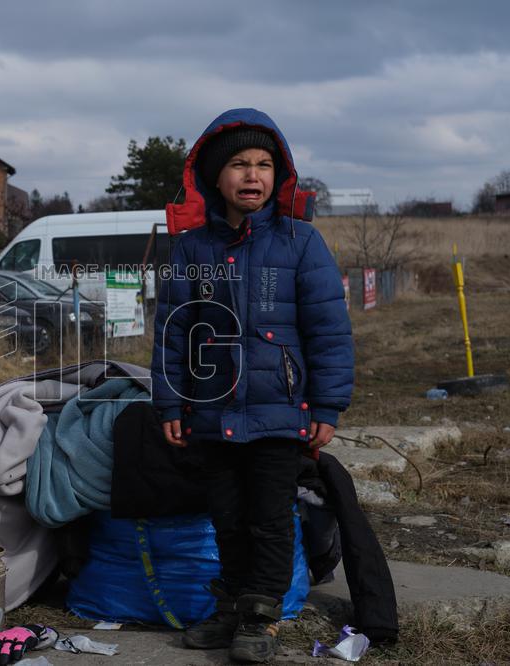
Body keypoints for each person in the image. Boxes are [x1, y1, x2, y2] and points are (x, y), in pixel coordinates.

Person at [151, 108, 353, 664]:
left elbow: (329, 329)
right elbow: (174, 331)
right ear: (214, 176)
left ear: (279, 176)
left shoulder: (300, 243)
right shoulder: (193, 250)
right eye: (238, 164)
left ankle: (261, 619)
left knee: (268, 518)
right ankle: (233, 608)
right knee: (227, 516)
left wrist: (329, 405)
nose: (252, 175)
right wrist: (169, 399)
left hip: (281, 411)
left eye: (264, 164)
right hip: (212, 413)